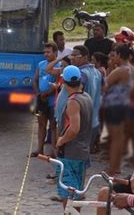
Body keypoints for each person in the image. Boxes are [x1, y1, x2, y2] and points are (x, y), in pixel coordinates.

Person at [54, 66, 93, 209]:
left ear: (64, 81)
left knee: (68, 193)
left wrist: (61, 140)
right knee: (77, 192)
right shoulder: (86, 96)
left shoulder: (73, 102)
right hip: (82, 151)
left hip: (70, 152)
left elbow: (74, 129)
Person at [102, 44, 134, 176]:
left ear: (120, 55)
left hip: (116, 107)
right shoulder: (132, 68)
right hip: (126, 106)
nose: (112, 57)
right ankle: (117, 166)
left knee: (115, 139)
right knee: (120, 139)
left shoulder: (120, 70)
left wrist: (109, 67)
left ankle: (112, 169)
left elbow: (104, 86)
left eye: (114, 55)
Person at [70, 45, 104, 155]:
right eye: (72, 55)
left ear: (85, 57)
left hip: (81, 121)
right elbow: (104, 89)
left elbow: (76, 91)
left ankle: (70, 173)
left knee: (74, 154)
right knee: (84, 153)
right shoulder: (97, 72)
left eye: (76, 55)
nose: (72, 58)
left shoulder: (81, 74)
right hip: (94, 121)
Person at [31, 43, 59, 157]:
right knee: (41, 124)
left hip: (53, 101)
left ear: (55, 53)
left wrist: (47, 93)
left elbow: (58, 83)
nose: (46, 54)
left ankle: (53, 152)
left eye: (49, 52)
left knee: (53, 126)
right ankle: (39, 150)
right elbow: (35, 80)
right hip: (41, 100)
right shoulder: (41, 64)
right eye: (45, 52)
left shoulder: (59, 65)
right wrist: (38, 94)